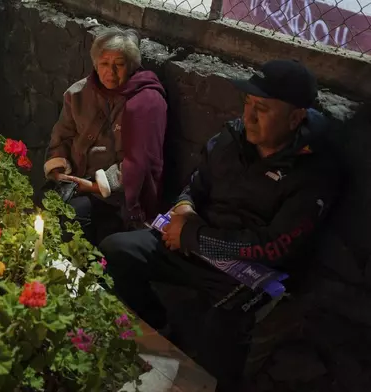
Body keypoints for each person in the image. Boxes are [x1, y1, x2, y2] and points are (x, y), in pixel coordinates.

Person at [99, 59, 341, 391]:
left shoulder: (315, 171)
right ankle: (159, 330)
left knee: (219, 332)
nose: (249, 116)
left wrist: (191, 236)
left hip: (252, 273)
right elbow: (195, 185)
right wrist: (184, 205)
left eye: (263, 109)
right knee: (117, 250)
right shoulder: (231, 137)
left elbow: (274, 246)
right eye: (247, 103)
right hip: (194, 243)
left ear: (295, 117)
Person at [42, 27, 167, 246]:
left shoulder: (144, 102)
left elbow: (139, 163)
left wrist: (94, 185)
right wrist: (58, 170)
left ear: (130, 66)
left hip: (111, 196)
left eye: (118, 64)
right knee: (40, 203)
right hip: (73, 181)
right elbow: (62, 135)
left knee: (71, 215)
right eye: (104, 64)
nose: (111, 72)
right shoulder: (78, 93)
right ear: (95, 64)